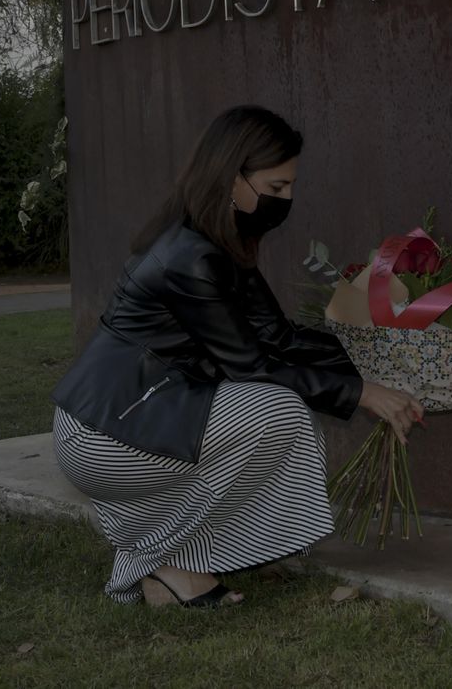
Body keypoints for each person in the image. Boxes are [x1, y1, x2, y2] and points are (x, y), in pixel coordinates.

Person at [51, 106, 423, 607]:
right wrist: (363, 392)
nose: (286, 200)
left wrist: (378, 354)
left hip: (139, 417)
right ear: (231, 177)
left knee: (271, 414)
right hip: (106, 433)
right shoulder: (189, 256)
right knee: (277, 413)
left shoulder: (216, 239)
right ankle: (156, 564)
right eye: (275, 189)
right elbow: (254, 368)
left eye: (290, 187)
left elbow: (280, 338)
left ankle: (175, 567)